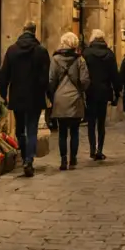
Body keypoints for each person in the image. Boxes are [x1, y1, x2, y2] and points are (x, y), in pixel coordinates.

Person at [0, 21, 51, 178]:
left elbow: (4, 74)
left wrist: (3, 93)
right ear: (35, 32)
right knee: (32, 129)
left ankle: (23, 155)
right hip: (35, 96)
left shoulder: (12, 50)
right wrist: (47, 94)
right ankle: (29, 160)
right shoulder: (41, 51)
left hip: (18, 95)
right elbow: (45, 77)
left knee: (20, 129)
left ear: (23, 31)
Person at [48, 31, 90, 171]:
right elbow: (85, 80)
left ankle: (63, 159)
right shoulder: (80, 60)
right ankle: (73, 159)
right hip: (75, 98)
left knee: (62, 132)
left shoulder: (55, 59)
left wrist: (53, 94)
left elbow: (51, 80)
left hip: (60, 98)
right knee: (74, 131)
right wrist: (81, 90)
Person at [82, 30, 121, 160]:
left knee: (91, 121)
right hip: (104, 91)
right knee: (101, 122)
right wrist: (117, 92)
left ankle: (92, 149)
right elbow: (114, 75)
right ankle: (100, 150)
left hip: (90, 91)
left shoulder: (86, 53)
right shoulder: (109, 54)